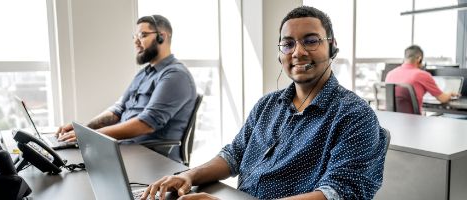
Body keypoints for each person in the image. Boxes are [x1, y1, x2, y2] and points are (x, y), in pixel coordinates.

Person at [141, 6, 387, 200]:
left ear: (332, 47)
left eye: (311, 41)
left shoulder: (355, 115)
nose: (298, 52)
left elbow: (339, 194)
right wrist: (189, 175)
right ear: (280, 54)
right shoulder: (267, 105)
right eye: (288, 43)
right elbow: (233, 155)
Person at [56, 15, 197, 162]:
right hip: (124, 149)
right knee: (63, 159)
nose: (136, 42)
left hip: (149, 159)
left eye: (142, 35)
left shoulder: (175, 75)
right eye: (135, 36)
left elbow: (147, 123)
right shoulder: (144, 73)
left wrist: (90, 137)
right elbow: (118, 109)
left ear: (162, 36)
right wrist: (83, 129)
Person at [385, 45, 459, 113]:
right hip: (413, 122)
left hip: (392, 121)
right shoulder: (422, 75)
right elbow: (442, 98)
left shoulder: (390, 74)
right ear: (419, 59)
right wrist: (450, 94)